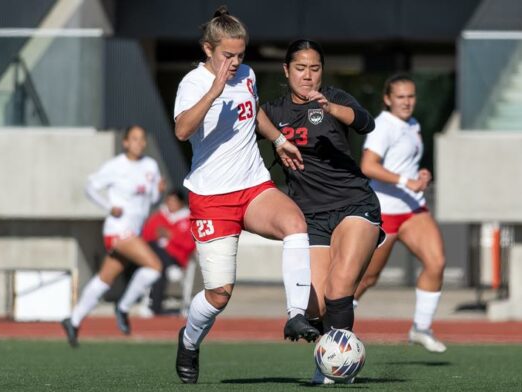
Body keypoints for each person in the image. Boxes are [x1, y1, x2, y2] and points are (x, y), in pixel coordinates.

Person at [172, 6, 318, 384]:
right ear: (209, 49)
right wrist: (215, 90)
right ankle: (189, 340)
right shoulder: (193, 82)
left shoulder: (248, 75)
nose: (235, 62)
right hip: (212, 197)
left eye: (240, 54)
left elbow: (253, 113)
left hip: (252, 185)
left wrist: (280, 139)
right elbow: (182, 130)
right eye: (227, 55)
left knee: (294, 223)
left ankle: (295, 315)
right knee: (219, 295)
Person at [261, 39, 381, 384]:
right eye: (300, 68)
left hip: (353, 206)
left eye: (314, 68)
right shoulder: (274, 111)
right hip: (309, 217)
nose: (308, 75)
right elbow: (249, 116)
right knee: (314, 307)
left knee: (339, 287)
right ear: (286, 71)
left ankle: (334, 366)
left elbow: (364, 122)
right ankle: (331, 347)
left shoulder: (335, 99)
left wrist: (330, 109)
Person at [354, 74, 447, 353]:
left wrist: (420, 175)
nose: (407, 102)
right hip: (384, 210)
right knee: (368, 278)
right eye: (401, 97)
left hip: (412, 207)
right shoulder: (383, 126)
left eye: (411, 96)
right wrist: (407, 181)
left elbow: (405, 163)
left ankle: (421, 327)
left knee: (437, 262)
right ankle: (333, 323)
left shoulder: (413, 124)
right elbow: (368, 166)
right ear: (387, 99)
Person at [60, 125, 163, 347]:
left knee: (105, 278)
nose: (139, 143)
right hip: (118, 229)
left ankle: (73, 319)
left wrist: (159, 191)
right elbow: (90, 187)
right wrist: (109, 206)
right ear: (125, 142)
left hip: (134, 231)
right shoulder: (116, 165)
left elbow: (151, 199)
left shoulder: (151, 165)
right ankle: (123, 307)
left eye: (142, 139)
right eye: (134, 139)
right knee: (154, 267)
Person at [140, 189, 195, 315]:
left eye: (174, 202)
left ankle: (154, 308)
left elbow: (190, 244)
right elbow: (146, 236)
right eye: (169, 201)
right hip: (156, 256)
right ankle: (155, 308)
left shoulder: (188, 219)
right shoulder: (159, 216)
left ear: (181, 203)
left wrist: (171, 235)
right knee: (155, 254)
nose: (171, 205)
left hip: (177, 257)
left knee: (159, 265)